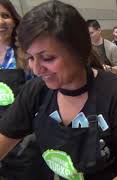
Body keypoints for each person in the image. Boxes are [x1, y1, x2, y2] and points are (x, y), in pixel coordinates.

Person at [0, 1, 117, 179]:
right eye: (31, 58)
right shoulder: (36, 92)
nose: (37, 69)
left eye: (47, 58)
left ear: (79, 50)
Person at [0, 0, 50, 179]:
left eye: (5, 16)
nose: (0, 22)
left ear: (14, 20)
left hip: (29, 140)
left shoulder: (27, 54)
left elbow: (46, 94)